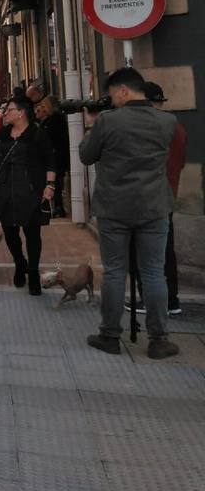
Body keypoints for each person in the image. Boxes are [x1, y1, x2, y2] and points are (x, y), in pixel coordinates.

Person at [80, 68, 179, 360]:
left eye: (112, 94)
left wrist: (92, 126)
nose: (111, 100)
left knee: (114, 271)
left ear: (124, 90)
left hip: (114, 208)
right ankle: (159, 339)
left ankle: (110, 335)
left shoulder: (108, 121)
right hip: (154, 206)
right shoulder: (167, 121)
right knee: (153, 272)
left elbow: (86, 155)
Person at [0, 96, 56, 296]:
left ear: (21, 112)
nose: (5, 113)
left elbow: (50, 161)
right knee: (10, 233)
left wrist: (50, 185)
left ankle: (33, 272)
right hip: (5, 190)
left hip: (30, 190)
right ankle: (20, 263)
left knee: (32, 234)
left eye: (9, 109)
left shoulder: (37, 134)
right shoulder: (3, 135)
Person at [127, 81, 185, 316]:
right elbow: (179, 162)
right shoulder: (177, 128)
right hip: (167, 196)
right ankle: (172, 301)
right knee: (166, 251)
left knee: (141, 253)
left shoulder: (146, 129)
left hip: (144, 197)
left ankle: (150, 301)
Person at [33, 96, 69, 218]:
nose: (41, 109)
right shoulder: (49, 120)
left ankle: (58, 207)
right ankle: (55, 206)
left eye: (43, 106)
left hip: (56, 155)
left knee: (55, 183)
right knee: (54, 182)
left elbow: (50, 138)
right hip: (54, 155)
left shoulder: (55, 120)